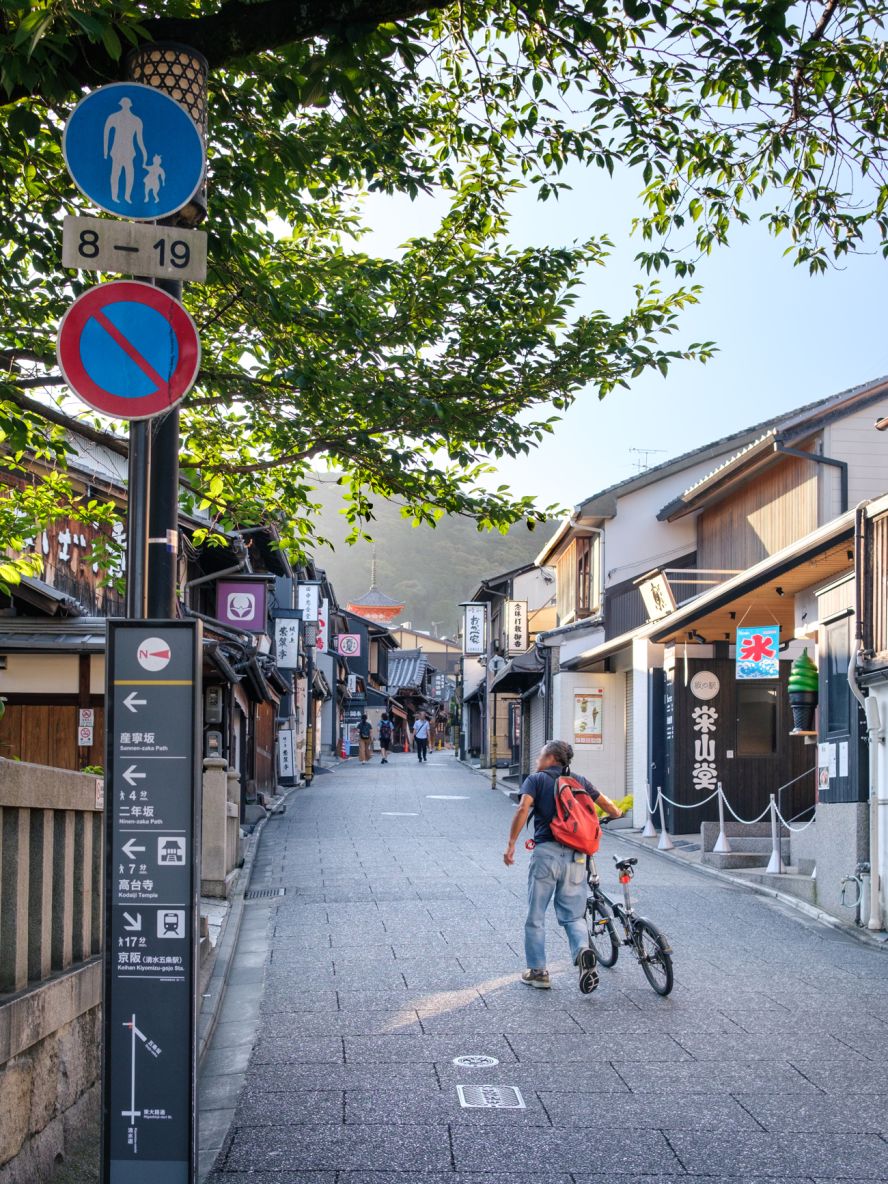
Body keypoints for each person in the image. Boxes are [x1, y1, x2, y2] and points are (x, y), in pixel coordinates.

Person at [503, 740, 622, 991]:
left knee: (536, 915)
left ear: (551, 758)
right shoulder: (580, 781)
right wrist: (604, 819)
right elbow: (612, 810)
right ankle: (582, 951)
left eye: (540, 755)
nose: (537, 760)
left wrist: (511, 844)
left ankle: (538, 972)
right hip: (577, 857)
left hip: (546, 853)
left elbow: (524, 808)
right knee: (573, 915)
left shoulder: (536, 780)